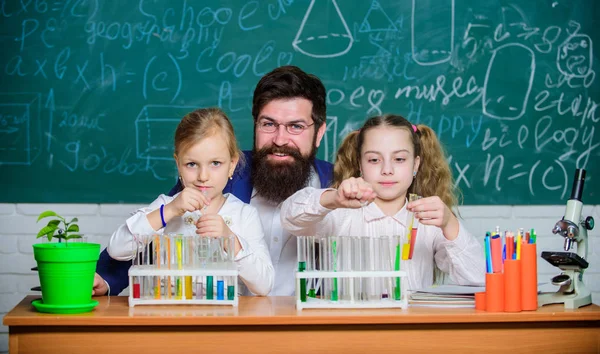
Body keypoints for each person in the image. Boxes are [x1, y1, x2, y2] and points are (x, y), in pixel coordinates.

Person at [93, 66, 333, 296]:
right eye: (268, 124)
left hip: (306, 321)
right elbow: (156, 229)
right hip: (228, 318)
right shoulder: (215, 170)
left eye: (295, 127)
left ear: (319, 132)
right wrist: (105, 278)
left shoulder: (334, 186)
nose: (280, 139)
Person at [280, 114, 485, 291]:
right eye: (374, 160)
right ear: (360, 165)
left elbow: (479, 279)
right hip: (350, 329)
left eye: (399, 159)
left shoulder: (429, 220)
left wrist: (450, 224)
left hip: (412, 331)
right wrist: (333, 198)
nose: (387, 169)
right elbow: (289, 218)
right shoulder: (341, 213)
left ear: (416, 164)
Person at [106, 107, 274, 296]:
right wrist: (168, 211)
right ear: (178, 164)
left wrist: (230, 239)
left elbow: (264, 285)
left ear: (232, 164)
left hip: (223, 319)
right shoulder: (166, 205)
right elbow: (117, 249)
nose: (203, 176)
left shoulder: (244, 215)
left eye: (215, 163)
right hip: (167, 316)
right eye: (192, 164)